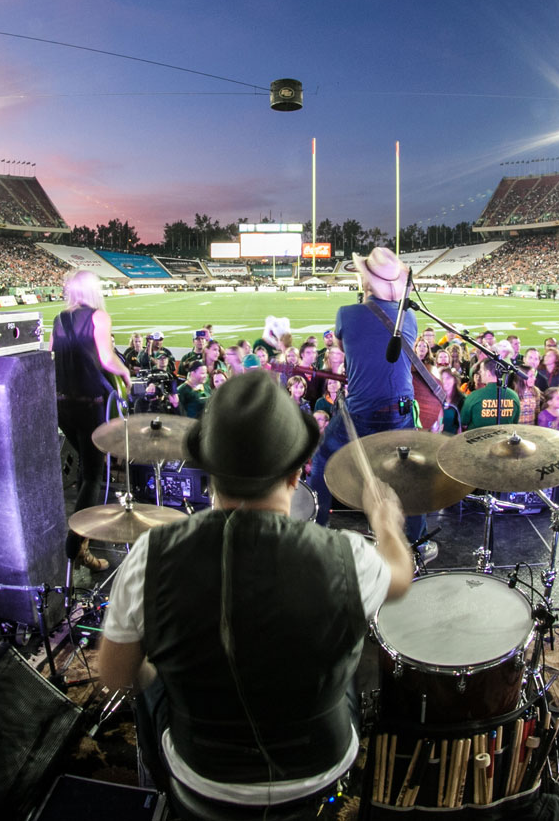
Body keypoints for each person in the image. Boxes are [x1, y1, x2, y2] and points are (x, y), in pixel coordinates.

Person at [98, 372, 412, 810]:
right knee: (353, 658)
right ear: (296, 474)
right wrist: (385, 524)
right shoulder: (348, 555)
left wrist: (170, 666)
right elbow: (400, 576)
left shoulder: (153, 553)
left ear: (208, 472)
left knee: (151, 682)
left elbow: (113, 674)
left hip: (202, 768)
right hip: (318, 764)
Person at [307, 248, 434, 561]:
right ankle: (416, 543)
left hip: (362, 412)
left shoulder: (347, 315)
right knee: (407, 473)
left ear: (365, 282)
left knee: (323, 461)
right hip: (401, 411)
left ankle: (315, 528)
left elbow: (344, 348)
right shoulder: (411, 318)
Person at [52, 269, 132, 572]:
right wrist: (124, 373)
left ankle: (83, 550)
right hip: (93, 405)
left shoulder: (60, 318)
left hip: (64, 406)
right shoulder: (98, 316)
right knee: (92, 477)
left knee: (87, 469)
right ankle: (75, 545)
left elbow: (50, 355)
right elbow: (105, 358)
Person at [459, 357, 520, 429]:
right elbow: (514, 422)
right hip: (505, 438)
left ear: (488, 373)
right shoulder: (514, 396)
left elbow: (463, 423)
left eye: (481, 371)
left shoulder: (473, 396)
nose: (480, 374)